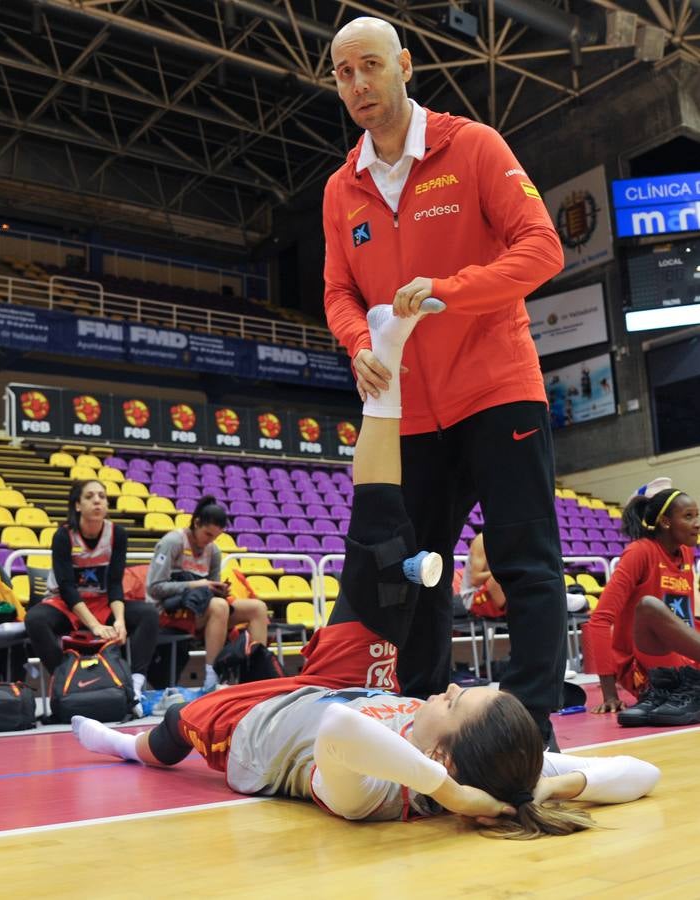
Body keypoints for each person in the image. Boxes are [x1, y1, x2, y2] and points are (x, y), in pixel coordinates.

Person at [73, 306, 659, 838]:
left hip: (262, 728)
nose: (454, 685)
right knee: (378, 534)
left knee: (175, 727)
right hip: (350, 685)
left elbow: (336, 730)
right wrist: (542, 786)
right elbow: (641, 771)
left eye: (456, 702)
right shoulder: (469, 759)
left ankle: (125, 746)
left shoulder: (374, 794)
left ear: (446, 761)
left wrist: (448, 793)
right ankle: (389, 361)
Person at [322, 15, 567, 748]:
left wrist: (448, 291)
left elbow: (542, 248)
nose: (358, 84)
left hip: (496, 389)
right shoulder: (342, 188)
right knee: (414, 572)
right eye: (342, 74)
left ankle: (527, 727)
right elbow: (337, 290)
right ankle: (424, 719)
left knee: (524, 561)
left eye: (370, 66)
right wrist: (359, 341)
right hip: (410, 413)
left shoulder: (473, 147)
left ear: (403, 64)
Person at [24, 479, 159, 713]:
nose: (97, 500)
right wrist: (95, 626)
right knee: (35, 619)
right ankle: (66, 680)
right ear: (77, 505)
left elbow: (115, 582)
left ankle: (136, 686)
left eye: (102, 496)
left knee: (148, 614)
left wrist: (119, 620)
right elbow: (66, 588)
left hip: (103, 602)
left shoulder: (117, 533)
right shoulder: (64, 536)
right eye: (89, 496)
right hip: (66, 604)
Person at [583, 484, 700, 721]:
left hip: (685, 661)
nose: (697, 522)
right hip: (644, 666)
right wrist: (609, 694)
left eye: (697, 515)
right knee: (649, 606)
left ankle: (691, 687)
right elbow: (599, 621)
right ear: (666, 523)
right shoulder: (639, 552)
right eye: (689, 516)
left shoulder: (685, 553)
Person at [146, 495, 272, 692]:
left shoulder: (213, 551)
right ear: (196, 523)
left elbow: (211, 589)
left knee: (257, 608)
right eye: (207, 534)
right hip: (168, 611)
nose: (210, 541)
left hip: (202, 609)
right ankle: (212, 681)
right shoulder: (172, 542)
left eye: (215, 536)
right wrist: (196, 584)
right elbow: (154, 588)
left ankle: (256, 676)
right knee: (219, 606)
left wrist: (219, 590)